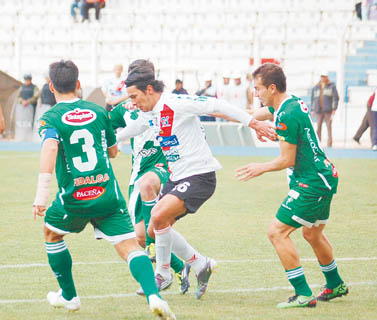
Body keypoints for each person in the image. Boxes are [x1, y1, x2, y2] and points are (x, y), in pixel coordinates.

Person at [120, 61, 276, 300]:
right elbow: (133, 129)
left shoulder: (176, 103)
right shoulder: (148, 113)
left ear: (149, 89)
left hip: (200, 175)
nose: (132, 102)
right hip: (177, 176)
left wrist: (253, 123)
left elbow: (217, 104)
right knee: (154, 228)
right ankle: (199, 263)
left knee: (159, 216)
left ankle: (163, 273)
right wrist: (106, 140)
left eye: (134, 96)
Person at [32, 60, 175, 319]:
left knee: (52, 234)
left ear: (50, 86)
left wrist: (41, 195)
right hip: (108, 194)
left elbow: (51, 148)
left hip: (74, 197)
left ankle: (69, 296)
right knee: (130, 246)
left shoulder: (50, 117)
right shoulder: (98, 112)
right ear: (78, 84)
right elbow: (113, 151)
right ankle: (154, 296)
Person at [237, 63, 348, 309]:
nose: (256, 93)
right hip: (324, 176)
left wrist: (259, 167)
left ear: (272, 88)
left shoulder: (286, 114)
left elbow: (286, 160)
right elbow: (265, 113)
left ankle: (303, 293)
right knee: (312, 233)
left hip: (312, 183)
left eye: (258, 89)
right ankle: (335, 284)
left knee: (277, 232)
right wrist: (245, 119)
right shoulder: (291, 102)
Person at [111, 60, 191, 296]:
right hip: (137, 170)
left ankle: (163, 269)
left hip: (163, 167)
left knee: (145, 231)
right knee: (138, 236)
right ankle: (180, 266)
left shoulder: (168, 103)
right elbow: (107, 125)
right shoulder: (126, 107)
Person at [311, 71, 339, 148]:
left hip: (328, 110)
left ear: (327, 77)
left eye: (324, 76)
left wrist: (334, 108)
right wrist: (312, 109)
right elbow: (313, 99)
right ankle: (318, 143)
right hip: (318, 110)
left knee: (329, 127)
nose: (323, 78)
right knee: (318, 127)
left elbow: (335, 98)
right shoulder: (316, 87)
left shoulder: (332, 86)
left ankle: (329, 144)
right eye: (322, 76)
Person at [32, 74, 57, 142]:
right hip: (45, 106)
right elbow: (40, 94)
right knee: (43, 120)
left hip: (52, 105)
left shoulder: (54, 85)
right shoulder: (45, 85)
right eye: (46, 78)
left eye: (48, 77)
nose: (47, 79)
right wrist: (40, 101)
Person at [15, 73, 39, 141]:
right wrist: (22, 101)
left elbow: (36, 96)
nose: (27, 81)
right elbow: (18, 97)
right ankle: (23, 136)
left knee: (31, 122)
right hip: (23, 109)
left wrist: (28, 101)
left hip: (32, 108)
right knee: (23, 123)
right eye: (26, 80)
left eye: (28, 80)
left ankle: (30, 137)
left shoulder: (34, 87)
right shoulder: (22, 87)